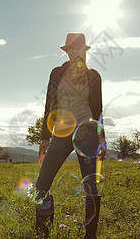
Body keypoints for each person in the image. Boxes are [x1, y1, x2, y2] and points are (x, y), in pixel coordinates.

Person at [34, 33, 106, 239]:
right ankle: (43, 233)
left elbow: (98, 110)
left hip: (87, 132)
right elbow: (49, 104)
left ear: (84, 51)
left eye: (78, 49)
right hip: (62, 131)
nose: (74, 53)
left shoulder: (94, 76)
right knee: (42, 184)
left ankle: (90, 235)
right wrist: (44, 137)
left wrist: (102, 139)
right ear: (66, 52)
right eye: (70, 49)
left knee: (90, 186)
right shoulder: (56, 73)